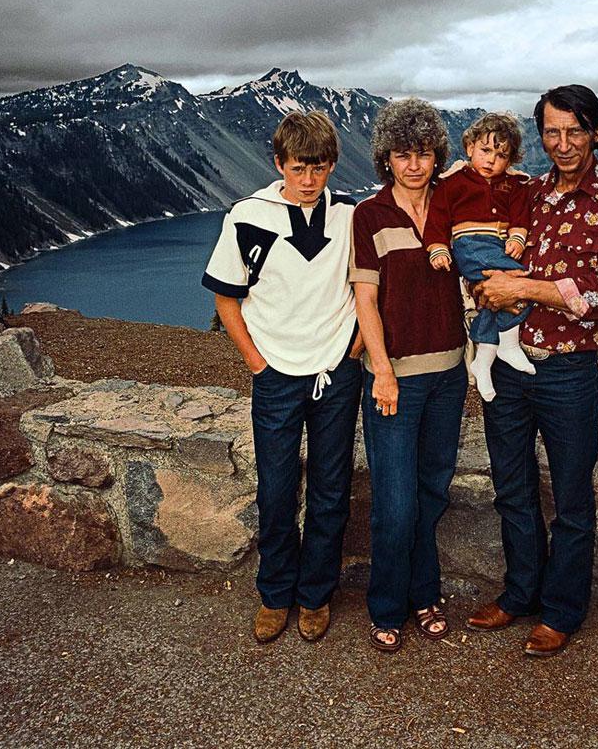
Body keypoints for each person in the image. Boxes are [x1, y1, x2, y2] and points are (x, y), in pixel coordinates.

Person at [463, 84, 598, 657]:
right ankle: (519, 594)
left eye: (574, 131)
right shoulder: (528, 191)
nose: (562, 144)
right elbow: (481, 243)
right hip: (512, 364)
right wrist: (484, 284)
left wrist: (519, 288)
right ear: (539, 134)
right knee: (512, 487)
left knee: (571, 496)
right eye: (551, 132)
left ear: (597, 130)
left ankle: (562, 611)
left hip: (570, 370)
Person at [201, 110, 362, 643]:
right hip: (275, 376)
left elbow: (368, 291)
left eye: (318, 168)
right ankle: (274, 594)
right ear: (279, 164)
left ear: (332, 165)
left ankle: (315, 595)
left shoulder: (350, 217)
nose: (309, 179)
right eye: (298, 168)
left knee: (331, 490)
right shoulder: (248, 216)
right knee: (275, 488)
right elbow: (228, 298)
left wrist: (352, 352)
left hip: (334, 373)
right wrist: (257, 363)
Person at [349, 98, 469, 651]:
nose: (415, 164)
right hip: (395, 378)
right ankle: (386, 603)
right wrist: (381, 371)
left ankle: (425, 593)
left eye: (423, 153)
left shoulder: (453, 206)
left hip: (449, 375)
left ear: (436, 154)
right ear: (387, 159)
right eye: (403, 154)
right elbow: (365, 301)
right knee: (396, 503)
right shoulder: (370, 215)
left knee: (430, 490)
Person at [424, 113, 539, 401]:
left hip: (497, 247)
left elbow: (521, 215)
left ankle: (485, 357)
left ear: (510, 160)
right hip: (470, 246)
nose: (491, 160)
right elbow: (437, 220)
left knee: (496, 300)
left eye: (501, 155)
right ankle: (506, 345)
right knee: (520, 282)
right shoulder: (453, 182)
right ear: (469, 147)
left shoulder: (513, 184)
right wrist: (437, 248)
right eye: (485, 150)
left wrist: (517, 236)